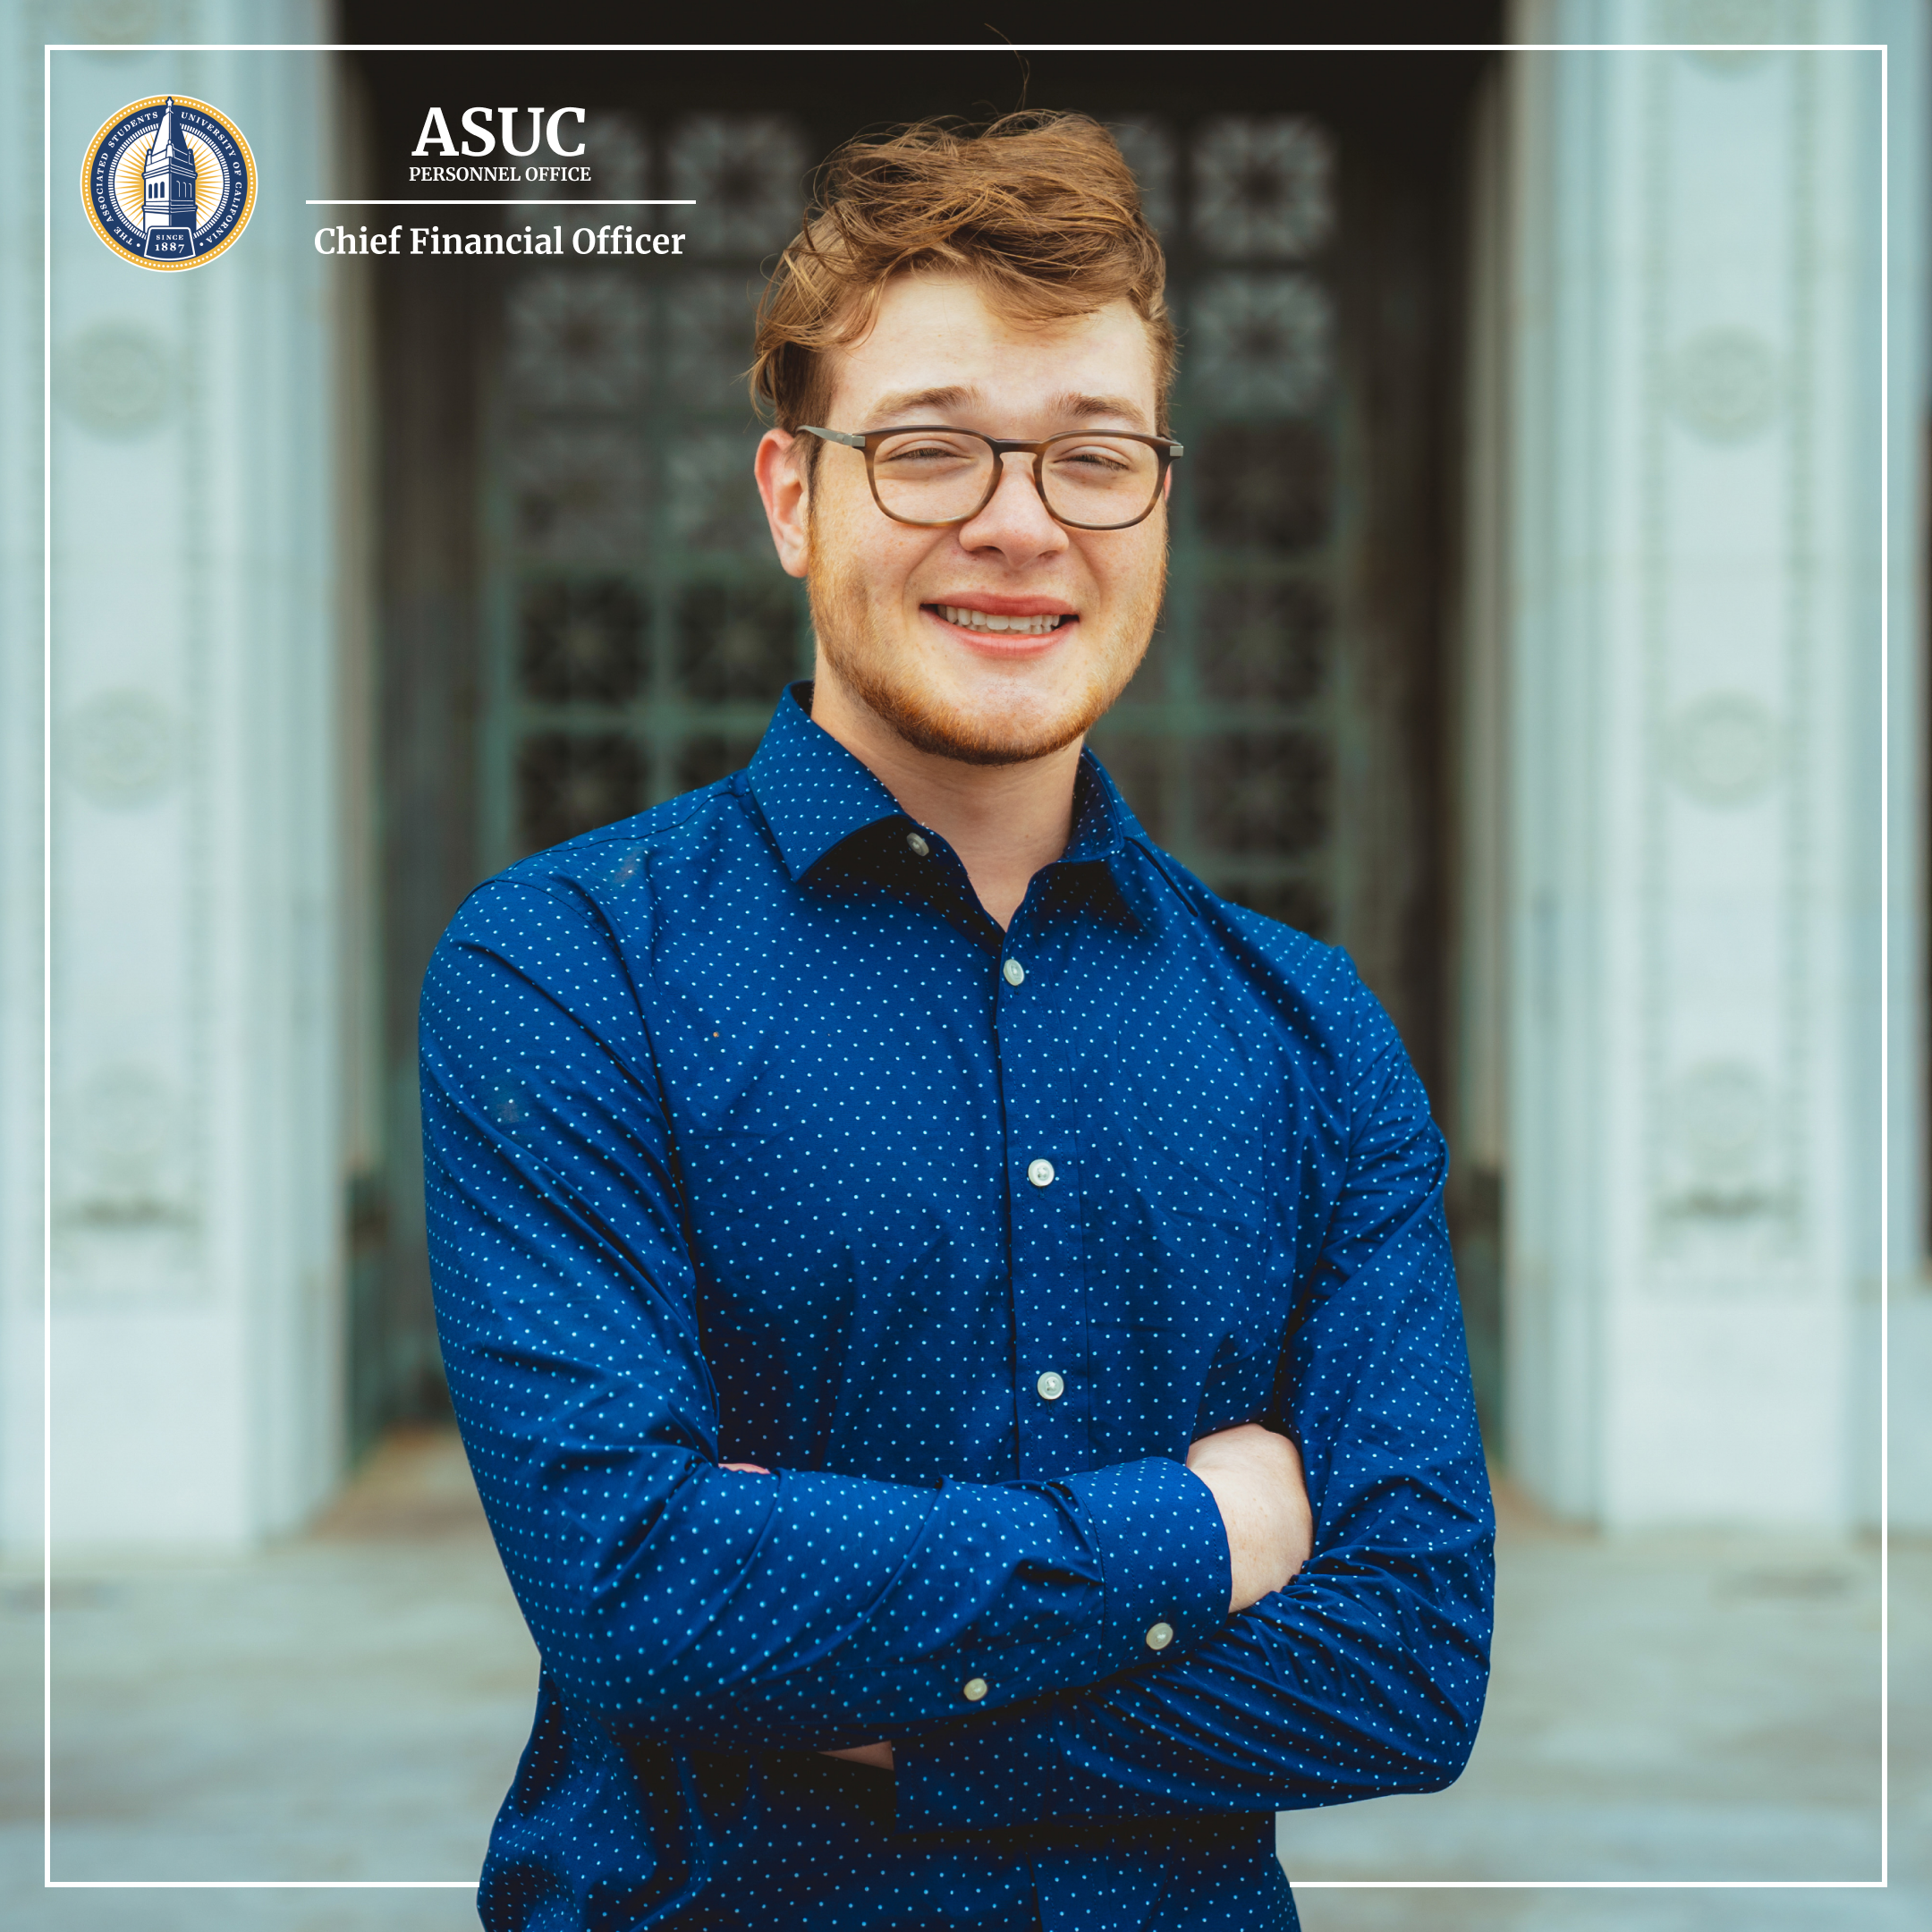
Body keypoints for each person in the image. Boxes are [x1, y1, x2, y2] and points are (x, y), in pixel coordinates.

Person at [422, 112, 1493, 1932]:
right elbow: (639, 1595)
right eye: (931, 452)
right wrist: (1209, 1534)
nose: (1019, 525)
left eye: (1094, 458)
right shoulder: (563, 969)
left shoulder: (1310, 1033)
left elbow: (1407, 1663)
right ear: (790, 494)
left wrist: (888, 1720)